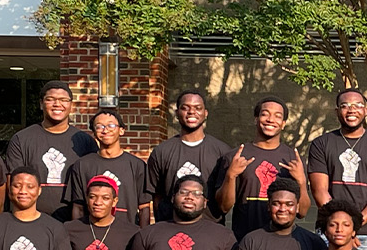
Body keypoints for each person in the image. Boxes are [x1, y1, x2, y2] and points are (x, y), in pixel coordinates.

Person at [307, 87, 367, 250]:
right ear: (337, 111)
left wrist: (354, 224)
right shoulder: (321, 144)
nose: (352, 110)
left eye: (358, 105)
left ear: (366, 110)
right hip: (330, 231)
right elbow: (319, 190)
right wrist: (340, 225)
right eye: (345, 105)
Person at [212, 97, 311, 240]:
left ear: (283, 124)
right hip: (244, 239)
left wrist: (301, 181)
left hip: (283, 242)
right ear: (256, 119)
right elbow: (223, 207)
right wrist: (231, 176)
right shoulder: (236, 156)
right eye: (265, 114)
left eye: (278, 116)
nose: (271, 119)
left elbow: (302, 212)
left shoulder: (294, 160)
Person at [3, 81, 96, 221]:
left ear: (71, 105)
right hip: (31, 222)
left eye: (63, 100)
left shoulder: (85, 142)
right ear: (41, 104)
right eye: (50, 99)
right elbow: (14, 185)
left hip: (75, 222)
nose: (57, 104)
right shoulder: (22, 139)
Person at [147, 89, 231, 222]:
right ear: (177, 113)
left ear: (205, 113)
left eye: (198, 108)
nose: (192, 112)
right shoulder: (162, 151)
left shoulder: (222, 151)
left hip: (210, 229)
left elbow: (225, 200)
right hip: (171, 227)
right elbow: (157, 195)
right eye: (185, 108)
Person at [66, 109, 152, 226]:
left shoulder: (137, 165)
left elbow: (144, 208)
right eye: (99, 126)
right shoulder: (82, 165)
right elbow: (78, 207)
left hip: (127, 232)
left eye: (111, 125)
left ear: (121, 130)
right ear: (94, 132)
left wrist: (143, 238)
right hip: (92, 233)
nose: (105, 130)